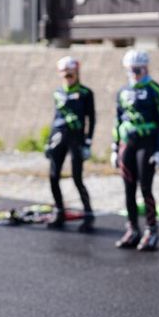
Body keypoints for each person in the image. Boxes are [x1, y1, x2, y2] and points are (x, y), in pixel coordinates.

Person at [111, 49, 159, 251]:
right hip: (127, 143)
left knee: (145, 187)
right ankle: (132, 228)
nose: (135, 73)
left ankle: (151, 229)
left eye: (139, 69)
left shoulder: (156, 90)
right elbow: (117, 119)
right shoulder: (122, 92)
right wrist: (114, 147)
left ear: (146, 68)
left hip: (147, 144)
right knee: (128, 188)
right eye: (131, 70)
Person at [43, 56, 96, 232]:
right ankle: (59, 211)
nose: (68, 78)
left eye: (71, 74)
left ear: (77, 73)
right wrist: (48, 141)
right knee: (53, 176)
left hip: (77, 138)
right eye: (65, 75)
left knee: (77, 177)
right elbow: (55, 118)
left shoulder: (86, 93)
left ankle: (88, 214)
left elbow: (91, 119)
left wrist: (88, 142)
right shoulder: (58, 92)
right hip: (59, 137)